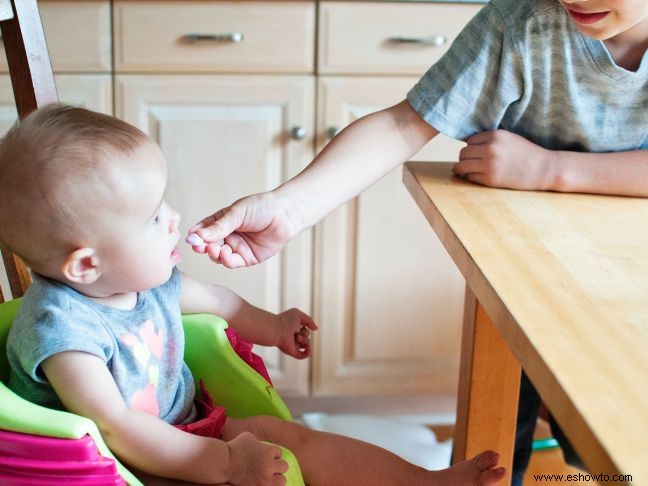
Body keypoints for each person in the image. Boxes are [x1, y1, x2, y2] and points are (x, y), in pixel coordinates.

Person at [186, 0, 648, 483]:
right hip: (525, 273)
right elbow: (405, 124)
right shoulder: (523, 23)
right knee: (504, 435)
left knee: (608, 441)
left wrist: (550, 170)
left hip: (626, 289)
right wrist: (289, 208)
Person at [0, 104, 505, 485]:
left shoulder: (139, 283)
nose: (173, 217)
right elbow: (117, 429)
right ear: (86, 264)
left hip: (190, 429)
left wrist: (275, 326)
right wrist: (225, 463)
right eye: (153, 217)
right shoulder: (65, 335)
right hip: (127, 466)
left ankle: (422, 481)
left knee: (291, 436)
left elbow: (221, 302)